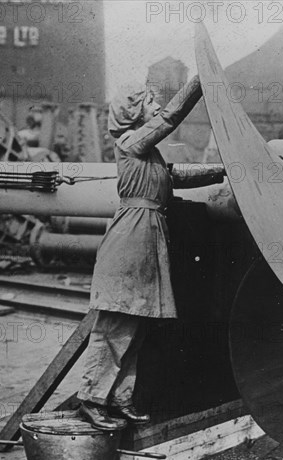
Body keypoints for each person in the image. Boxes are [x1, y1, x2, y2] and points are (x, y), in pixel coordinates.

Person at [77, 76, 224, 431]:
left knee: (136, 327)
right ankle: (92, 399)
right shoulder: (130, 142)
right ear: (133, 111)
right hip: (131, 241)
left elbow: (179, 176)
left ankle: (119, 398)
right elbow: (170, 118)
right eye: (150, 102)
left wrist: (225, 170)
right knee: (115, 325)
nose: (156, 108)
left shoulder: (150, 153)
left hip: (147, 239)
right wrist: (199, 82)